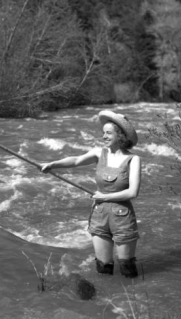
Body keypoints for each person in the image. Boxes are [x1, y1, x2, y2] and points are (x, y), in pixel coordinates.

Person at [40, 110, 141, 278]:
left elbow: (133, 192)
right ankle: (106, 300)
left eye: (109, 133)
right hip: (99, 215)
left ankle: (132, 298)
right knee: (103, 266)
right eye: (103, 133)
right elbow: (75, 160)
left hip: (122, 217)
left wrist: (105, 197)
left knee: (127, 266)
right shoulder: (98, 153)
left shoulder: (134, 159)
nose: (104, 136)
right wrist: (52, 164)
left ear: (120, 135)